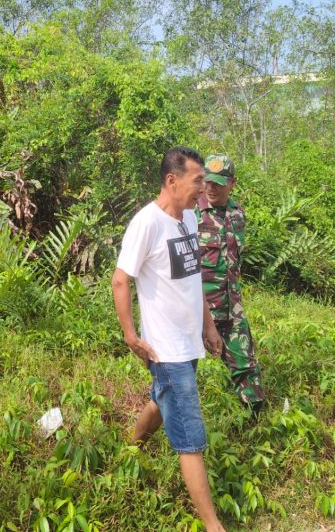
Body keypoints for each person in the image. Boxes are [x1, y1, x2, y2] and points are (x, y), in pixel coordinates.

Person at [112, 146, 227, 532]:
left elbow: (193, 279)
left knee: (160, 401)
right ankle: (213, 524)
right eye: (198, 181)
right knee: (190, 438)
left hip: (188, 340)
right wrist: (131, 336)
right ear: (171, 180)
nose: (203, 188)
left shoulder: (190, 218)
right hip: (166, 348)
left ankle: (128, 451)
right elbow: (120, 279)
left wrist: (207, 325)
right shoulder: (146, 223)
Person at [195, 154, 265, 417]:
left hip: (231, 304)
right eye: (208, 182)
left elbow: (235, 262)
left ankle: (254, 423)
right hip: (198, 308)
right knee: (179, 369)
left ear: (232, 183)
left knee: (246, 363)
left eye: (219, 183)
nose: (211, 188)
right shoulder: (191, 213)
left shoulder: (237, 215)